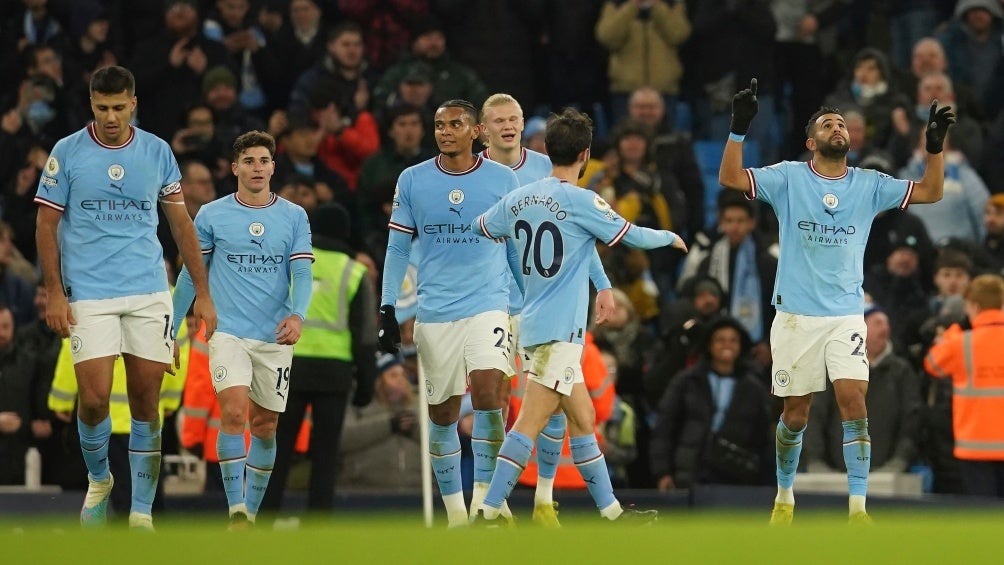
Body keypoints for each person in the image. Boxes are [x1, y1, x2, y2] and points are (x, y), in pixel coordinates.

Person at [718, 77, 956, 525]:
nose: (838, 127)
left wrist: (935, 147)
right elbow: (730, 177)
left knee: (854, 400)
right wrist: (738, 129)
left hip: (846, 313)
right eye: (828, 124)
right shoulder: (788, 176)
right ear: (812, 141)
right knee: (795, 414)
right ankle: (784, 496)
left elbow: (931, 191)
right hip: (794, 316)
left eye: (842, 123)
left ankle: (858, 508)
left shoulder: (869, 183)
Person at [470, 107, 687, 524]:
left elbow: (483, 227)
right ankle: (490, 510)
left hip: (533, 322)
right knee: (529, 424)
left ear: (548, 150)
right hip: (559, 331)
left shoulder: (519, 198)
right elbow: (632, 234)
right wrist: (670, 237)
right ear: (586, 154)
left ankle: (612, 514)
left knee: (583, 419)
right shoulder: (583, 200)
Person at [33, 65, 216, 531]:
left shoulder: (157, 152)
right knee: (93, 399)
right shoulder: (67, 152)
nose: (111, 117)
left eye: (118, 107)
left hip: (149, 292)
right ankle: (100, 480)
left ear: (133, 103)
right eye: (102, 108)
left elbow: (180, 226)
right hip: (89, 293)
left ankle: (140, 512)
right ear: (91, 105)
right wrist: (54, 291)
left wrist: (203, 296)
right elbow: (46, 225)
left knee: (145, 401)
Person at [377, 99, 521, 528]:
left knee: (489, 394)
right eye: (439, 124)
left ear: (476, 131)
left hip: (489, 305)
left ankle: (483, 502)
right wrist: (386, 306)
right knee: (443, 413)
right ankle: (456, 516)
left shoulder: (501, 178)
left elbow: (513, 246)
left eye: (455, 124)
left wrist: (526, 302)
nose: (445, 131)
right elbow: (399, 246)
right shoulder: (414, 180)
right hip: (436, 311)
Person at [479, 92, 613, 526]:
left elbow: (577, 235)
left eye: (514, 118)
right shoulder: (472, 174)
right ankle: (488, 501)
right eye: (498, 119)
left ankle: (542, 499)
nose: (508, 125)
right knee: (496, 401)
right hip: (494, 304)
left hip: (538, 306)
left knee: (559, 406)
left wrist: (602, 283)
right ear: (483, 129)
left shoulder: (544, 169)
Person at [171, 130, 314, 528]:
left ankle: (252, 510)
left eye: (264, 160)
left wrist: (298, 315)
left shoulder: (294, 216)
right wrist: (169, 328)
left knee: (265, 425)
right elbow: (190, 275)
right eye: (248, 160)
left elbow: (302, 273)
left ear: (273, 166)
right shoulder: (213, 214)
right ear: (235, 167)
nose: (257, 168)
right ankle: (236, 510)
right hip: (228, 332)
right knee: (233, 412)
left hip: (274, 336)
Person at [260, 201, 376, 516]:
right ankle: (318, 526)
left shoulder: (291, 263)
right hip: (334, 373)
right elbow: (365, 334)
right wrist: (367, 383)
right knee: (325, 455)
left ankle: (262, 520)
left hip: (289, 367)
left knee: (277, 451)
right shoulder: (354, 272)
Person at [925, 274, 1004, 497]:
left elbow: (932, 364)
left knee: (983, 520)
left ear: (974, 305)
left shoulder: (961, 342)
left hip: (975, 446)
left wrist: (952, 332)